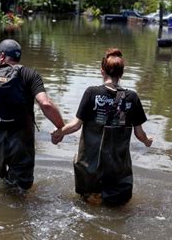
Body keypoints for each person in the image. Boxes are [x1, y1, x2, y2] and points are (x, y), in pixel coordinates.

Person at [51, 48, 153, 205]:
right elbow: (139, 134)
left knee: (87, 204)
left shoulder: (92, 93)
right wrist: (147, 141)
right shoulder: (132, 97)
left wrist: (59, 133)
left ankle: (93, 198)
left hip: (90, 166)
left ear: (102, 71)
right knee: (116, 207)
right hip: (117, 167)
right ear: (122, 74)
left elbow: (76, 125)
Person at [0, 39, 65, 190]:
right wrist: (61, 128)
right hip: (22, 140)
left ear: (2, 56)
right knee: (20, 188)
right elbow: (45, 104)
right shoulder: (30, 75)